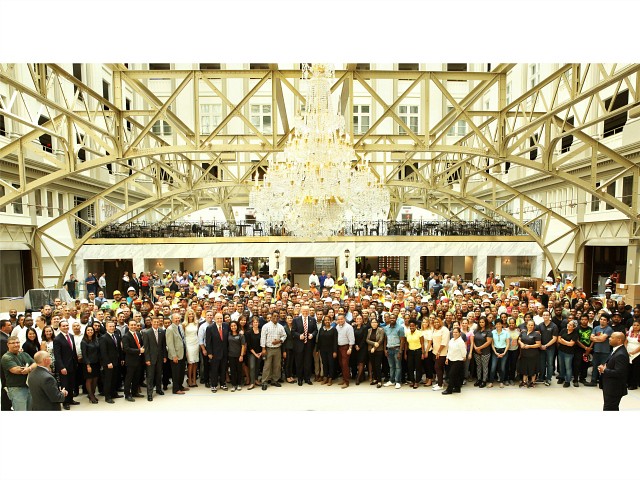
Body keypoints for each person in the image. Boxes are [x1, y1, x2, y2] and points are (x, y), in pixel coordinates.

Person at [1, 336, 37, 410]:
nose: (16, 344)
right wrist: (27, 368)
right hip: (16, 389)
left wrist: (29, 368)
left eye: (17, 342)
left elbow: (35, 363)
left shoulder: (24, 354)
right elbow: (15, 370)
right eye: (13, 343)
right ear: (8, 344)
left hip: (29, 387)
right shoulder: (6, 357)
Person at [597, 331, 630, 410]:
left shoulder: (621, 354)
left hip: (614, 388)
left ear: (619, 340)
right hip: (610, 386)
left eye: (612, 337)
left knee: (610, 408)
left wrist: (604, 370)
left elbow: (620, 372)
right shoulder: (615, 350)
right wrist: (604, 366)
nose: (609, 339)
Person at [52, 320, 79, 409]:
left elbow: (73, 350)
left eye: (67, 325)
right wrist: (62, 367)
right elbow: (57, 355)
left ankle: (71, 399)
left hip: (72, 365)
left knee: (72, 383)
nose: (65, 327)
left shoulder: (71, 336)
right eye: (63, 326)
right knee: (65, 385)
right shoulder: (57, 339)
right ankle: (65, 402)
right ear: (60, 327)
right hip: (64, 366)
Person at [259, 310, 287, 390]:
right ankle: (264, 381)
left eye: (277, 316)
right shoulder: (266, 326)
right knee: (267, 366)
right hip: (268, 349)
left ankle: (274, 380)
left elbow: (284, 336)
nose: (275, 318)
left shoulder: (280, 327)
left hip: (277, 349)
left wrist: (279, 340)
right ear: (271, 317)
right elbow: (263, 338)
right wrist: (263, 349)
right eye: (274, 316)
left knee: (277, 366)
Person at [292, 305, 317, 386]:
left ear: (309, 311)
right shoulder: (296, 320)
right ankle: (300, 379)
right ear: (301, 311)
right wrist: (299, 336)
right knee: (299, 362)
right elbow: (293, 331)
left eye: (307, 311)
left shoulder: (312, 320)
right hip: (299, 345)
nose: (305, 312)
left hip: (309, 345)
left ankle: (307, 378)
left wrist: (312, 335)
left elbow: (315, 330)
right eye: (303, 311)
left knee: (308, 362)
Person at [99, 320, 123, 404]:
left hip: (116, 361)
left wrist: (121, 359)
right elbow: (103, 352)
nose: (112, 328)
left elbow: (119, 349)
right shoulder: (103, 338)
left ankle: (114, 393)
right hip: (108, 363)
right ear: (106, 327)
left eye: (113, 326)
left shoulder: (116, 335)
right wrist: (108, 362)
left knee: (114, 379)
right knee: (108, 380)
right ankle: (107, 396)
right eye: (110, 326)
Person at [142, 317, 167, 401]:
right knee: (150, 376)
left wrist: (164, 356)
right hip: (151, 358)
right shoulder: (147, 332)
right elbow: (146, 347)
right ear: (151, 322)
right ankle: (149, 393)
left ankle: (159, 389)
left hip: (160, 357)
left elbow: (163, 345)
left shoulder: (162, 331)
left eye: (158, 322)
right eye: (154, 322)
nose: (156, 323)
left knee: (159, 374)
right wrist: (147, 359)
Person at [587, 314, 613, 387]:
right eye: (601, 319)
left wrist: (596, 338)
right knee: (595, 366)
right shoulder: (596, 328)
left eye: (604, 320)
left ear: (607, 321)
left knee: (603, 368)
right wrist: (599, 338)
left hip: (605, 352)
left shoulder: (609, 329)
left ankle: (603, 383)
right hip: (596, 350)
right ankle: (593, 381)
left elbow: (602, 339)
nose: (602, 321)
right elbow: (591, 338)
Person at [205, 312, 229, 393]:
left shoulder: (226, 325)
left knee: (223, 369)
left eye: (221, 318)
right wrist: (209, 353)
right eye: (218, 318)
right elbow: (208, 342)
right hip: (214, 353)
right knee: (214, 370)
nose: (219, 320)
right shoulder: (210, 328)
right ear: (214, 319)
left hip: (224, 352)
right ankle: (214, 385)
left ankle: (223, 383)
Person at [122, 319, 145, 401]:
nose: (133, 326)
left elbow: (141, 345)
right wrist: (139, 351)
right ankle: (127, 394)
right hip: (131, 361)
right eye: (131, 325)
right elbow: (126, 349)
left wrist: (142, 350)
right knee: (129, 378)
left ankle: (135, 392)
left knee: (137, 377)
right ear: (128, 326)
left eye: (135, 325)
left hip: (139, 360)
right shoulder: (126, 336)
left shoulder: (138, 334)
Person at [166, 312, 188, 394]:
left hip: (182, 352)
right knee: (176, 373)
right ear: (172, 319)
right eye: (176, 318)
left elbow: (183, 339)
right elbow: (170, 344)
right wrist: (174, 355)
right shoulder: (170, 329)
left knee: (182, 371)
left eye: (178, 318)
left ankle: (180, 386)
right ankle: (175, 389)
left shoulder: (180, 326)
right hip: (175, 355)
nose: (177, 320)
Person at [383, 313, 405, 389]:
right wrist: (385, 349)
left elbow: (402, 340)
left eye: (393, 318)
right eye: (390, 318)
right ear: (388, 319)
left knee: (398, 366)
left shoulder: (400, 328)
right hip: (389, 349)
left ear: (396, 319)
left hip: (397, 349)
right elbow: (385, 339)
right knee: (391, 366)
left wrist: (400, 352)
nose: (392, 319)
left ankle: (398, 381)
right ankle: (391, 381)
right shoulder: (386, 328)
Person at [443, 327, 467, 395]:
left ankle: (449, 390)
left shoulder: (461, 342)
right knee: (455, 375)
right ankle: (457, 388)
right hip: (451, 359)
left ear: (460, 333)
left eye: (456, 332)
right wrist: (447, 358)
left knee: (451, 375)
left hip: (458, 360)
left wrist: (464, 357)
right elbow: (449, 350)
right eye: (454, 332)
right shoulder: (451, 340)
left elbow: (464, 351)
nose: (455, 333)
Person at [80, 325, 101, 403]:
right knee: (89, 380)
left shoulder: (96, 340)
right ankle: (91, 396)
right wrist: (88, 365)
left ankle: (92, 394)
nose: (90, 331)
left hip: (96, 363)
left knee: (95, 379)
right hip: (88, 363)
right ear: (85, 332)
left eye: (91, 330)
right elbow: (84, 354)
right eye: (88, 330)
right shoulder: (84, 342)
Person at [518, 320, 541, 388]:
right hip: (524, 354)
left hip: (533, 354)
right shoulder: (523, 332)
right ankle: (524, 381)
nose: (530, 326)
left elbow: (538, 344)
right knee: (524, 368)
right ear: (526, 325)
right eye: (529, 325)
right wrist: (521, 343)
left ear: (534, 326)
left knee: (532, 368)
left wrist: (529, 346)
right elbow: (519, 339)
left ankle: (532, 382)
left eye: (532, 325)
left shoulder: (536, 334)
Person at [316, 315, 338, 386]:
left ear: (330, 321)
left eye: (328, 320)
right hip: (323, 350)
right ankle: (325, 377)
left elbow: (335, 341)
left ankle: (330, 378)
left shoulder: (334, 329)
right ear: (324, 321)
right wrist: (317, 350)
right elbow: (319, 340)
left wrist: (335, 351)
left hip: (331, 350)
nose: (327, 321)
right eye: (325, 320)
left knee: (331, 364)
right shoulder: (321, 329)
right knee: (324, 363)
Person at [557, 320, 579, 388]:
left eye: (570, 325)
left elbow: (571, 344)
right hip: (561, 351)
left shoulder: (575, 334)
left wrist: (563, 341)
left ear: (574, 327)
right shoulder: (563, 330)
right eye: (568, 324)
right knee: (561, 365)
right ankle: (561, 377)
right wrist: (566, 342)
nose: (568, 325)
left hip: (569, 353)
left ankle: (567, 381)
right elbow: (558, 339)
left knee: (568, 367)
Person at [472, 317, 493, 388]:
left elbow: (489, 342)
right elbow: (473, 341)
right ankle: (479, 379)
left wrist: (479, 348)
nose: (481, 323)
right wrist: (475, 348)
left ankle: (484, 380)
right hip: (476, 352)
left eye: (483, 322)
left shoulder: (488, 331)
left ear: (486, 323)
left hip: (485, 352)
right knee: (478, 366)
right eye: (480, 322)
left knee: (485, 366)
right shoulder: (476, 331)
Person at [335, 314, 355, 389]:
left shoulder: (349, 327)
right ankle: (344, 379)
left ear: (344, 319)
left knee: (345, 365)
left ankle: (346, 382)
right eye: (338, 319)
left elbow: (351, 338)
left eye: (341, 319)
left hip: (346, 347)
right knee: (341, 364)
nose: (340, 320)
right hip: (339, 347)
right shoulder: (337, 326)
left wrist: (350, 348)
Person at [404, 319, 424, 389]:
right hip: (410, 351)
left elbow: (422, 343)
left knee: (418, 367)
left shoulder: (419, 333)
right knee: (410, 367)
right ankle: (412, 381)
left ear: (416, 326)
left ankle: (417, 382)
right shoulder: (407, 333)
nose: (411, 327)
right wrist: (405, 353)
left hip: (418, 351)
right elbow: (406, 343)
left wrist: (423, 353)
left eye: (413, 326)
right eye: (410, 326)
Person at [182, 309, 200, 388]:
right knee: (190, 363)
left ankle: (194, 380)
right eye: (189, 314)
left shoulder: (197, 323)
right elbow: (183, 336)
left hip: (196, 343)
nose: (191, 316)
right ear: (187, 315)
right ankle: (189, 380)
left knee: (195, 362)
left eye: (192, 314)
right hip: (188, 344)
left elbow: (197, 334)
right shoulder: (184, 324)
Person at [366, 317, 385, 388]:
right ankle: (375, 379)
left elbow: (381, 339)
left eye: (375, 322)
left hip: (378, 350)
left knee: (377, 365)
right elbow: (367, 340)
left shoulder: (381, 330)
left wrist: (374, 347)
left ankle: (379, 381)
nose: (374, 324)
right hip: (370, 350)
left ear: (377, 323)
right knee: (373, 365)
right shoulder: (369, 330)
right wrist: (374, 344)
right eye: (372, 322)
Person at [227, 320, 246, 392]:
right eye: (232, 326)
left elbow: (243, 346)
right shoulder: (228, 334)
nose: (233, 327)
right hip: (231, 355)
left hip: (239, 355)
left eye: (234, 325)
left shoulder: (241, 335)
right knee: (232, 370)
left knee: (239, 370)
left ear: (237, 326)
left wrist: (241, 355)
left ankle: (239, 384)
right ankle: (233, 385)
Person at [489, 318, 509, 388]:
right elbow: (492, 344)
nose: (498, 325)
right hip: (495, 351)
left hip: (504, 351)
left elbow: (508, 344)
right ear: (495, 325)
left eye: (499, 324)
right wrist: (495, 352)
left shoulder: (506, 332)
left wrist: (504, 352)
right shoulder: (492, 332)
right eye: (497, 324)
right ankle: (491, 382)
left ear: (502, 324)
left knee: (502, 367)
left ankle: (501, 382)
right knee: (493, 367)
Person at [245, 317, 263, 390]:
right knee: (252, 367)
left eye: (257, 322)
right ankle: (252, 383)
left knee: (257, 367)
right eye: (254, 322)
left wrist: (261, 352)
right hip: (252, 352)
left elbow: (263, 342)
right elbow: (249, 345)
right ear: (252, 323)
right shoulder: (248, 332)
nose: (255, 323)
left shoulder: (261, 331)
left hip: (260, 352)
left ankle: (256, 380)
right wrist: (255, 354)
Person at [627, 320, 640, 390]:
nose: (636, 327)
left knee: (635, 370)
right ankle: (628, 383)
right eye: (634, 325)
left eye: (638, 325)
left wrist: (634, 352)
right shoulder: (628, 333)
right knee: (629, 369)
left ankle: (633, 385)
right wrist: (626, 350)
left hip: (637, 354)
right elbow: (625, 342)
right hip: (628, 353)